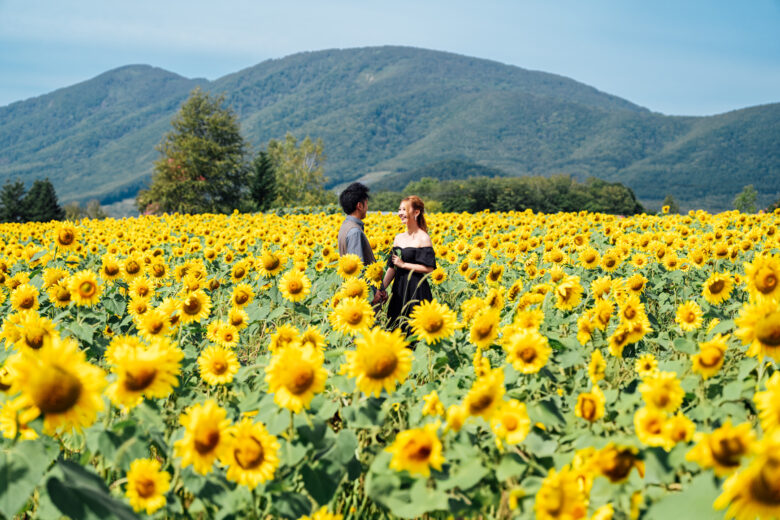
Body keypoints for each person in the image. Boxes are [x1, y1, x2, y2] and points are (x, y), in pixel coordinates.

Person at [380, 195, 436, 334]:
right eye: (399, 209)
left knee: (415, 331)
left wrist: (404, 265)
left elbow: (429, 268)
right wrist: (382, 289)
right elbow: (392, 267)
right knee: (396, 329)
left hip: (416, 289)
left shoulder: (423, 238)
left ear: (416, 212)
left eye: (404, 209)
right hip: (399, 289)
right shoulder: (398, 238)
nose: (400, 213)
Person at [337, 182, 387, 303]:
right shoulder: (355, 232)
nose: (367, 208)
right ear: (360, 205)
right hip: (362, 299)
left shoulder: (345, 226)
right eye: (366, 204)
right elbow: (357, 269)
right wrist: (370, 296)